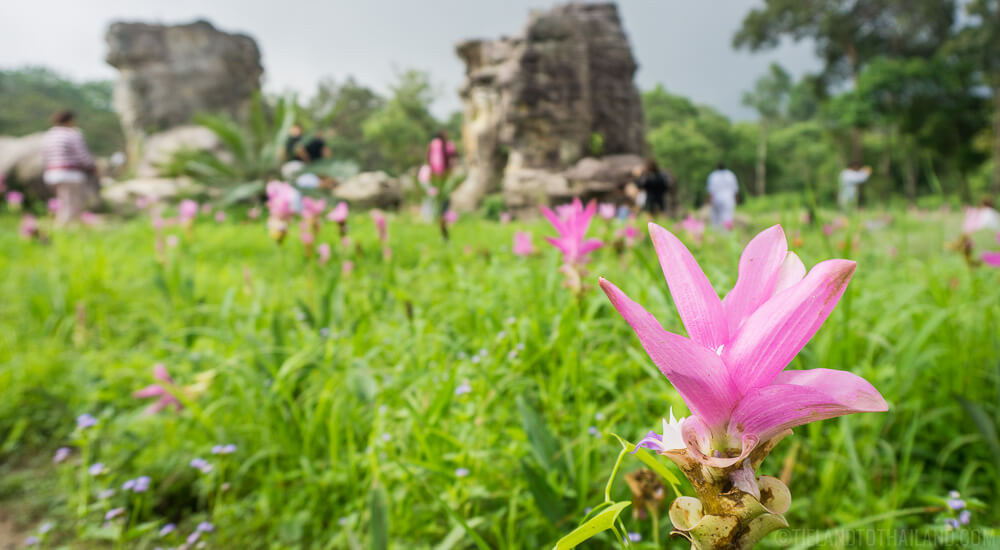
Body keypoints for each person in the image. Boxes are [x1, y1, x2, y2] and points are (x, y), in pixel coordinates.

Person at [42, 110, 96, 225]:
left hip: (53, 173)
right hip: (70, 173)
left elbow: (45, 155)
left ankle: (62, 224)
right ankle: (66, 225)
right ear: (70, 120)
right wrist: (92, 166)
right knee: (73, 202)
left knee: (63, 200)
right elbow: (82, 154)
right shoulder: (73, 134)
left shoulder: (49, 135)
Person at [706, 162, 739, 229]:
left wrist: (710, 200)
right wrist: (736, 199)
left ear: (717, 168)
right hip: (728, 199)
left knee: (716, 219)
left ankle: (716, 234)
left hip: (716, 198)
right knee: (727, 217)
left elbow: (710, 190)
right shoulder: (730, 175)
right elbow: (735, 189)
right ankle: (727, 234)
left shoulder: (713, 175)